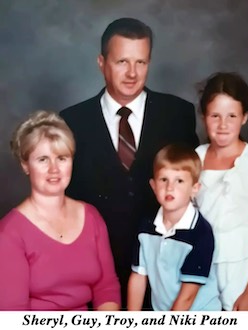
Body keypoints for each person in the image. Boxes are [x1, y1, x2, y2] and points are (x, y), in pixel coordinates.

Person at [59, 17, 199, 307]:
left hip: (166, 273)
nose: (132, 73)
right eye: (122, 61)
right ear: (101, 62)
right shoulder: (71, 121)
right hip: (95, 271)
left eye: (141, 62)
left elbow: (198, 185)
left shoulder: (178, 114)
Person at [0, 110, 120, 311]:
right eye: (43, 159)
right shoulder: (9, 233)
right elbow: (13, 315)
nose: (54, 169)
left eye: (62, 158)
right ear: (25, 165)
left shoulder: (91, 216)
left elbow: (106, 287)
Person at [127, 143, 221, 311]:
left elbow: (187, 297)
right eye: (164, 180)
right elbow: (138, 277)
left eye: (179, 181)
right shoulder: (146, 226)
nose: (170, 187)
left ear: (194, 189)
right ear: (154, 186)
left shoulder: (200, 233)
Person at [195, 72, 248, 311]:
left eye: (231, 115)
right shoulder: (196, 159)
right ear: (204, 117)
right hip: (204, 269)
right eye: (215, 116)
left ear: (244, 117)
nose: (223, 125)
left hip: (244, 271)